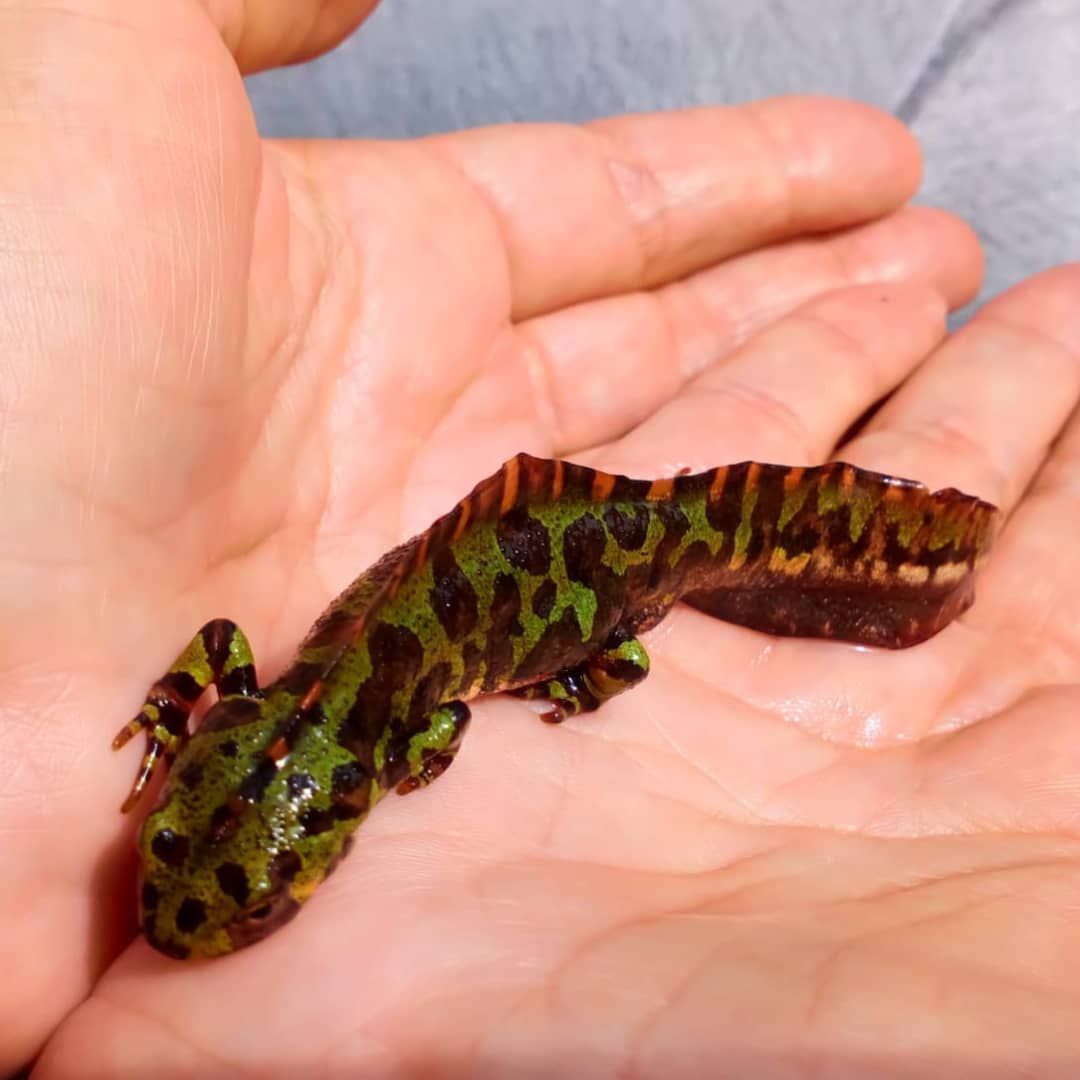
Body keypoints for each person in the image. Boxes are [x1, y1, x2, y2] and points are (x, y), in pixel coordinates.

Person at [5, 3, 1078, 1075]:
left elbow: (407, 715)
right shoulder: (323, 710)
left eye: (244, 897)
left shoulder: (379, 731)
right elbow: (274, 662)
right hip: (542, 552)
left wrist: (564, 682)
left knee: (617, 636)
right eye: (192, 866)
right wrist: (178, 704)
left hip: (582, 565)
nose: (173, 912)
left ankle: (798, 593)